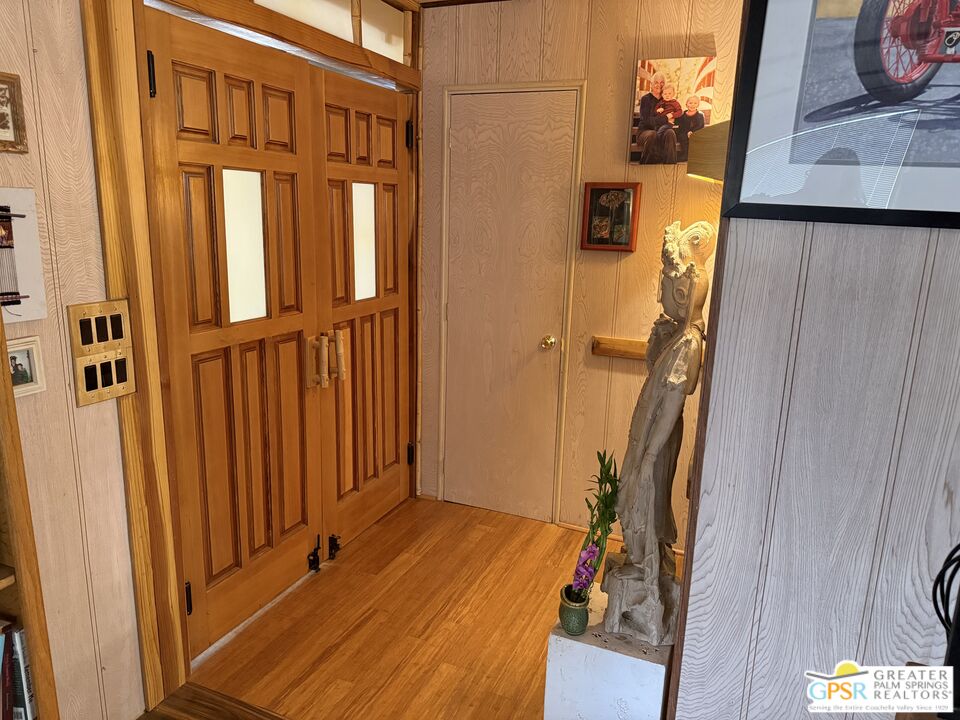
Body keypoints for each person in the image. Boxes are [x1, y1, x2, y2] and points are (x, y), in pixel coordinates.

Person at [676, 94, 705, 161]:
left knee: (694, 138)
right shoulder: (683, 114)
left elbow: (700, 126)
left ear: (698, 105)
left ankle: (693, 156)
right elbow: (677, 122)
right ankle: (685, 155)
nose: (693, 105)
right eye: (690, 103)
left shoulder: (700, 115)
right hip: (684, 133)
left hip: (695, 132)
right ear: (686, 104)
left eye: (695, 103)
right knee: (683, 137)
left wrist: (692, 131)